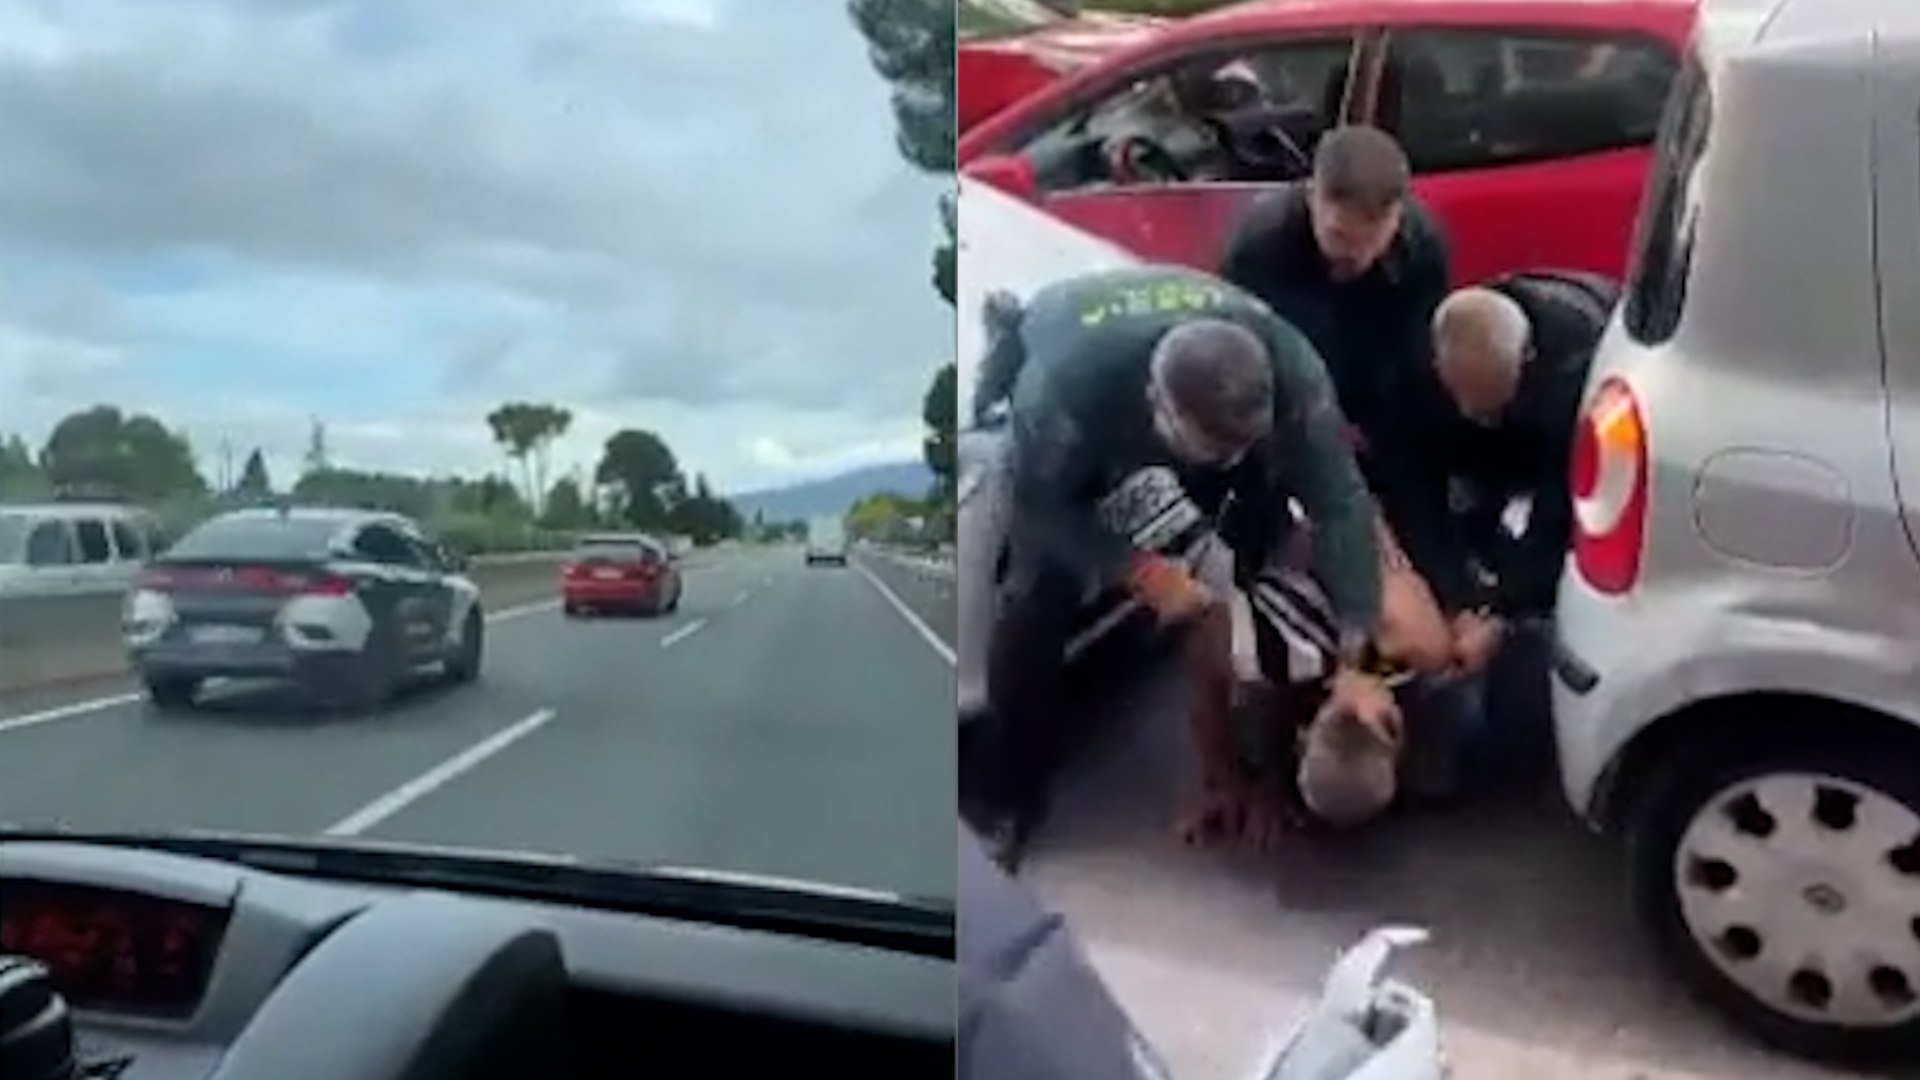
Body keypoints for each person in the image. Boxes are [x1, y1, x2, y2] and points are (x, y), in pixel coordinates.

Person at [970, 263, 1401, 871]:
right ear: (1157, 405)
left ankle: (1254, 761)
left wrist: (1360, 651)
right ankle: (1009, 794)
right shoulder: (1066, 391)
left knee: (1255, 527)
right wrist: (1136, 567)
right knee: (1036, 598)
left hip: (1196, 388)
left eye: (1237, 445)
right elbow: (1039, 506)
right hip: (1074, 368)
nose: (1228, 458)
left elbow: (1340, 502)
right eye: (1214, 447)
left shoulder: (1293, 369)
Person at [1406, 269, 1619, 788]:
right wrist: (1453, 592)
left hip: (1553, 435)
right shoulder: (1414, 369)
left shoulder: (1578, 379)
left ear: (1526, 361)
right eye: (1460, 396)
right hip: (1495, 440)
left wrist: (1502, 611)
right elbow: (1413, 489)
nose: (1470, 412)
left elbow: (1560, 516)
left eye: (1486, 402)